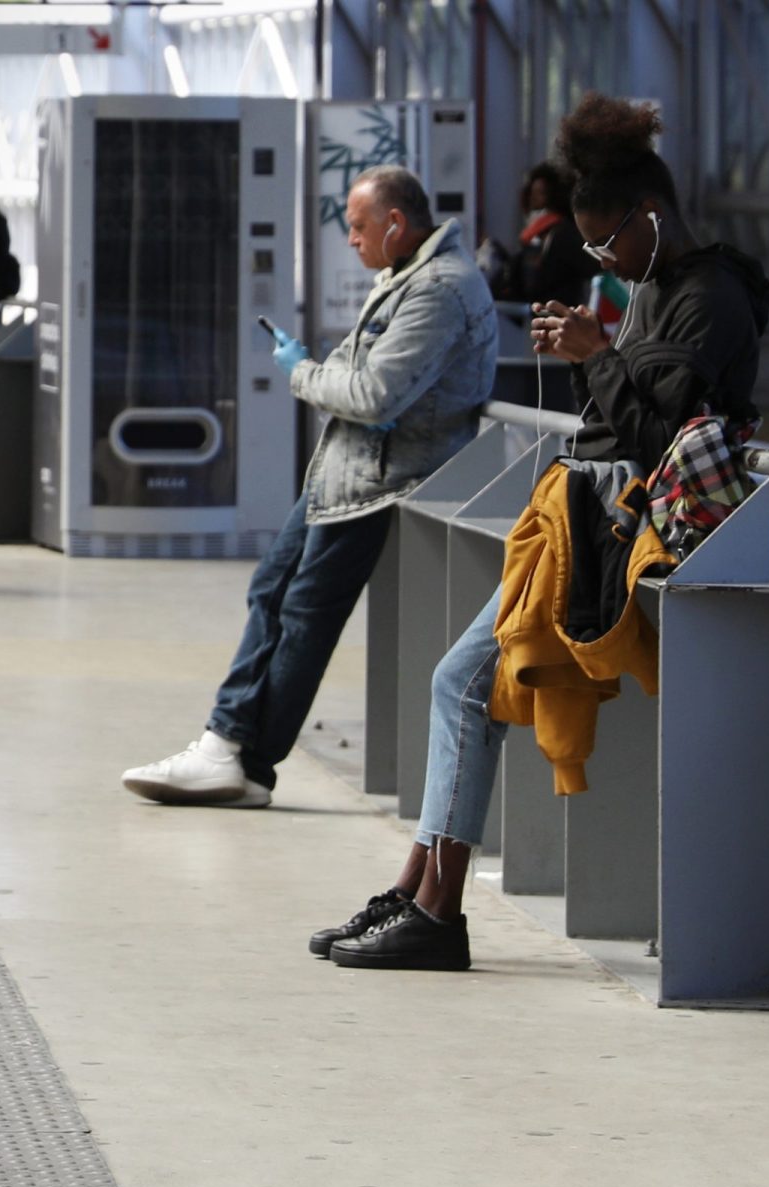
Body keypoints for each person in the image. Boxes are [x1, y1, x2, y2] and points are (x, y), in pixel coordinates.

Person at [307, 94, 769, 971]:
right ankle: (419, 892)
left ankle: (433, 906)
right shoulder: (654, 288)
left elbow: (655, 430)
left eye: (607, 242)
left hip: (628, 526)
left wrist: (596, 354)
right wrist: (593, 353)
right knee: (464, 686)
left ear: (652, 215)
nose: (603, 258)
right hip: (587, 514)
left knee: (462, 682)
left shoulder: (710, 298)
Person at [121, 166, 498, 811]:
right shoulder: (411, 278)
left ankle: (246, 759)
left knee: (304, 615)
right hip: (345, 475)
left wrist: (303, 375)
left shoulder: (439, 289)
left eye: (356, 227)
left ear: (395, 223)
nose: (350, 241)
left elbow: (376, 396)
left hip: (381, 482)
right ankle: (227, 745)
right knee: (273, 588)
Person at [486, 163, 597, 308]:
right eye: (532, 193)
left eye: (541, 193)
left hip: (556, 312)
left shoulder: (563, 233)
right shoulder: (537, 234)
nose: (534, 200)